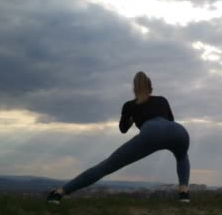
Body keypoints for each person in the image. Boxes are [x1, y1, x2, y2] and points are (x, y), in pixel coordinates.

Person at [46, 71, 191, 204]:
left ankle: (59, 193)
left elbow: (123, 129)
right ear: (151, 87)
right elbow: (170, 120)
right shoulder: (162, 100)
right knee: (182, 156)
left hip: (151, 131)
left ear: (134, 89)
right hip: (179, 131)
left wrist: (133, 119)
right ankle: (184, 193)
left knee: (107, 165)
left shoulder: (129, 105)